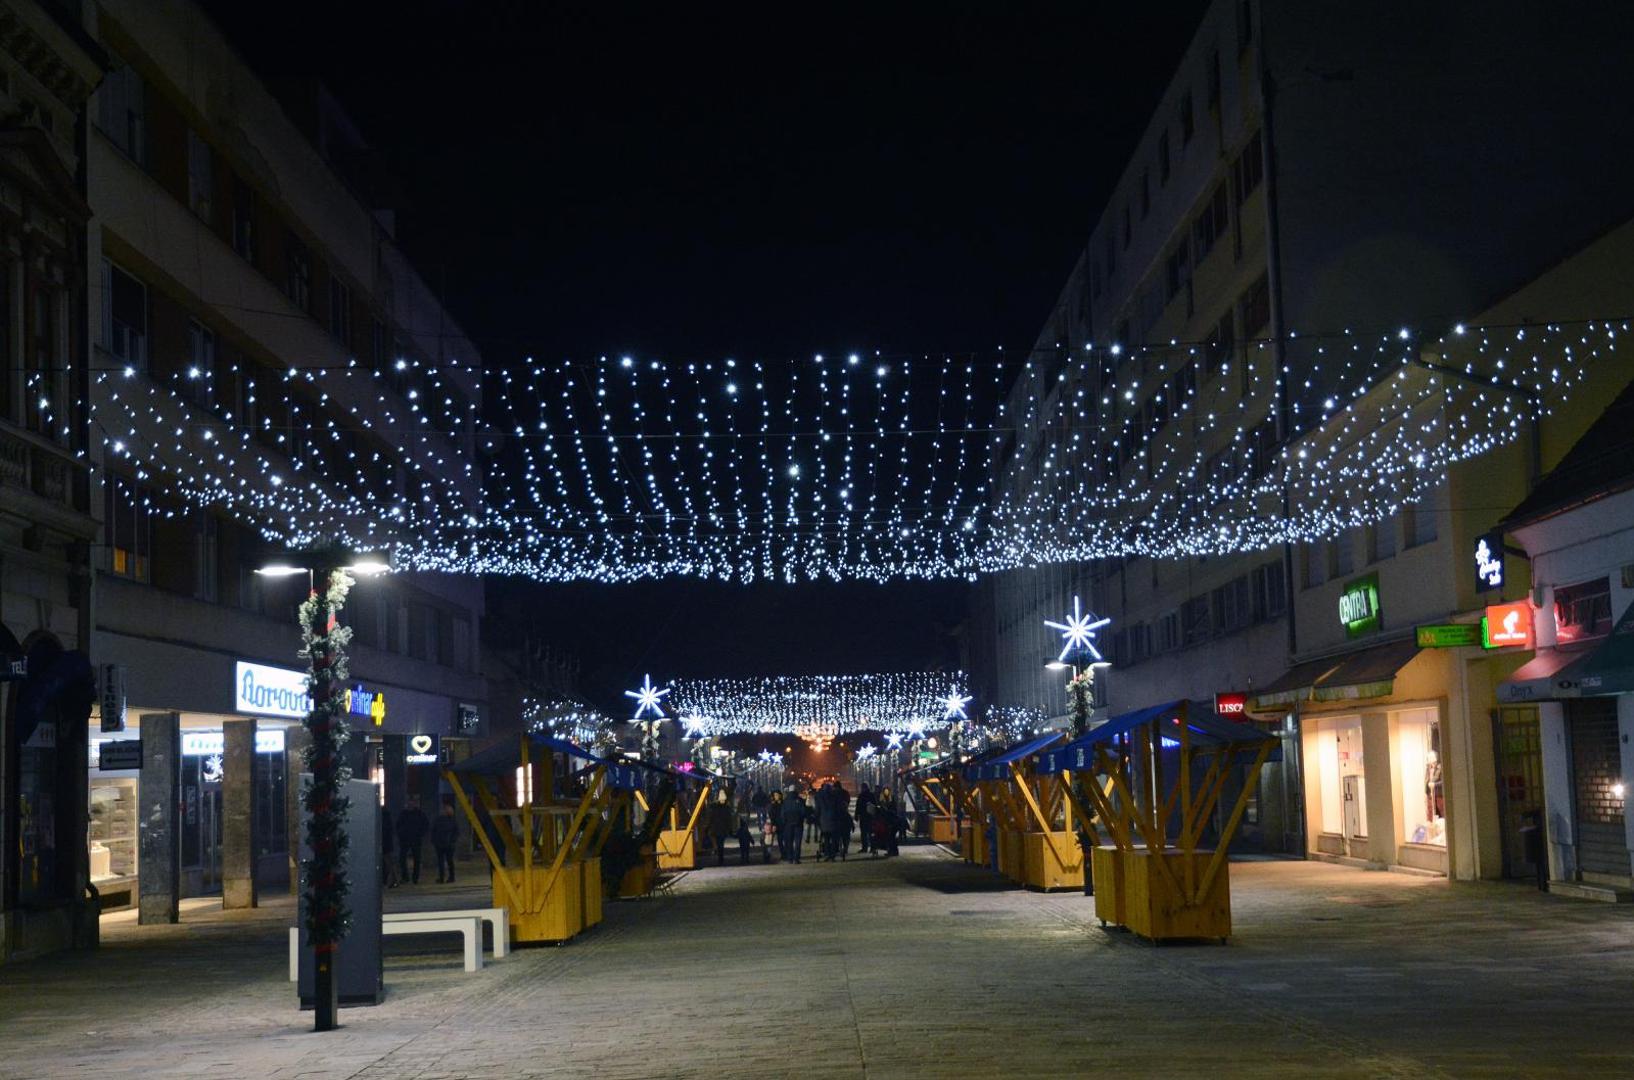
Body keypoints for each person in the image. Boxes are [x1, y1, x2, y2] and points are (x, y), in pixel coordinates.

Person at [396, 797, 430, 884]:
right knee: (403, 859)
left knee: (416, 859)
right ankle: (406, 877)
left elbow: (426, 825)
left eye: (412, 803)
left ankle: (414, 878)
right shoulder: (404, 814)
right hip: (406, 839)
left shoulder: (419, 814)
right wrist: (401, 834)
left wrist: (420, 834)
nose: (411, 804)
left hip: (415, 839)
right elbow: (398, 825)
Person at [431, 801, 459, 883]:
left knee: (447, 861)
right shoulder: (441, 820)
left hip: (447, 844)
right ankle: (444, 877)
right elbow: (434, 830)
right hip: (441, 843)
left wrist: (452, 840)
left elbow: (456, 832)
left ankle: (449, 877)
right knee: (443, 862)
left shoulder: (450, 820)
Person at [704, 795, 736, 867]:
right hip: (723, 829)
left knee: (719, 844)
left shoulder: (713, 809)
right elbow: (729, 820)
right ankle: (720, 857)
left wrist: (707, 827)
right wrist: (730, 829)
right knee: (721, 844)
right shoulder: (726, 809)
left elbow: (710, 819)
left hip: (715, 829)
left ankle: (720, 857)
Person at [779, 788, 807, 863]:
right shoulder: (800, 800)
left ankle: (790, 858)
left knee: (789, 842)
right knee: (797, 842)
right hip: (798, 824)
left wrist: (784, 822)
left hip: (788, 824)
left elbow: (782, 813)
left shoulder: (785, 801)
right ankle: (796, 858)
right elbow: (803, 811)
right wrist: (801, 819)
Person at [381, 804, 399, 888]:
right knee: (389, 863)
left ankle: (392, 880)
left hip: (385, 843)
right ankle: (393, 880)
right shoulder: (387, 818)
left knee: (388, 863)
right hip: (387, 843)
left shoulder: (383, 818)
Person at [855, 784, 875, 854]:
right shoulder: (871, 795)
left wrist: (856, 815)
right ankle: (872, 847)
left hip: (864, 816)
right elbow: (874, 805)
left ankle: (865, 847)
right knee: (870, 832)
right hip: (869, 816)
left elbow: (858, 806)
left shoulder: (861, 796)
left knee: (864, 833)